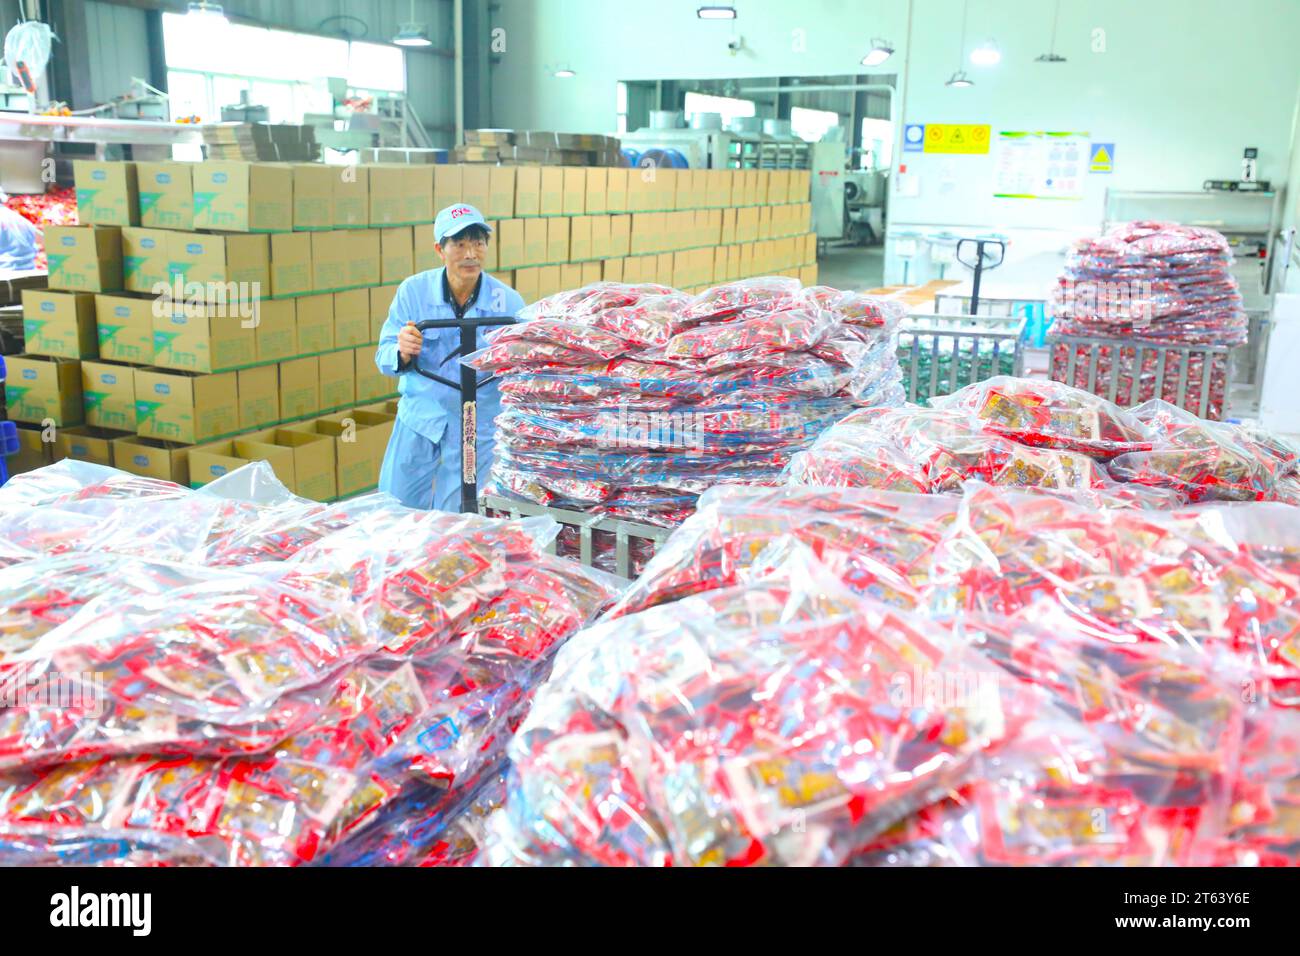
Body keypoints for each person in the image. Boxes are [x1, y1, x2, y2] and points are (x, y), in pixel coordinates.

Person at [375, 203, 524, 511]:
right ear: (440, 249)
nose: (470, 253)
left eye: (478, 243)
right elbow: (384, 355)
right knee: (395, 504)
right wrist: (400, 351)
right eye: (459, 244)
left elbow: (522, 363)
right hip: (421, 413)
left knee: (459, 512)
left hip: (476, 420)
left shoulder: (508, 301)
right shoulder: (413, 292)